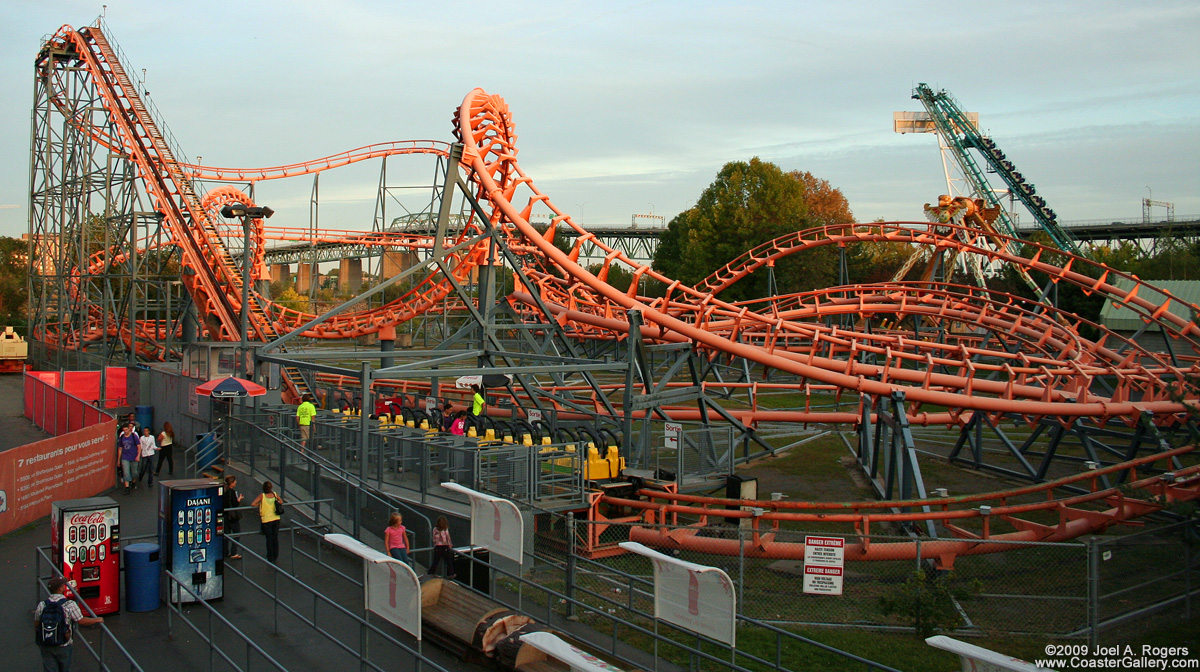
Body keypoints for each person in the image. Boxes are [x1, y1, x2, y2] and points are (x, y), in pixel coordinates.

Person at [34, 576, 103, 671]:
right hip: (64, 645)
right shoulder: (69, 604)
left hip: (46, 644)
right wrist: (97, 620)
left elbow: (37, 624)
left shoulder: (42, 605)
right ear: (60, 588)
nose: (65, 586)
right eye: (63, 585)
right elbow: (81, 620)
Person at [252, 481, 284, 564]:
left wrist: (260, 505)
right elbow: (281, 502)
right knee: (275, 538)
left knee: (269, 539)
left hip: (266, 520)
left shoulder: (262, 496)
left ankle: (270, 557)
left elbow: (253, 504)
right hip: (276, 518)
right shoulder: (275, 494)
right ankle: (275, 556)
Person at [222, 475, 244, 559]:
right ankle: (233, 552)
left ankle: (225, 552)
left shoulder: (224, 491)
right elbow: (235, 504)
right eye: (235, 481)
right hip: (232, 517)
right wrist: (239, 499)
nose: (236, 482)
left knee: (226, 535)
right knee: (237, 533)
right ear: (231, 483)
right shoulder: (232, 492)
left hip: (225, 515)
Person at [116, 424, 139, 494]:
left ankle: (133, 481)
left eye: (126, 430)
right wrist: (118, 460)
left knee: (134, 472)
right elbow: (120, 448)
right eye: (124, 430)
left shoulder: (133, 436)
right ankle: (127, 487)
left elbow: (139, 446)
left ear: (129, 429)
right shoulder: (122, 437)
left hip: (133, 456)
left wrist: (138, 456)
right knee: (126, 472)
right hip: (125, 457)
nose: (125, 431)